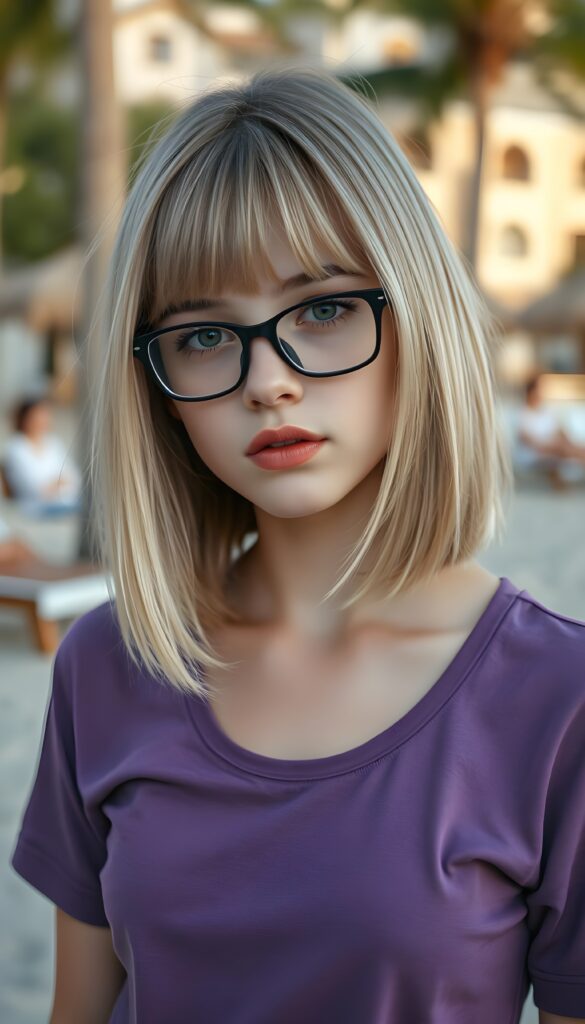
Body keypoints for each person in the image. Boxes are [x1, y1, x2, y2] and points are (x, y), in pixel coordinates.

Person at [9, 66, 585, 1024]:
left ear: (418, 317)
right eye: (202, 334)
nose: (266, 381)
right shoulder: (108, 664)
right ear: (155, 386)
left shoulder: (558, 701)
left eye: (322, 309)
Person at [2, 395, 82, 516]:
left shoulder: (53, 443)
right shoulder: (16, 447)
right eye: (37, 416)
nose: (42, 420)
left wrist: (57, 485)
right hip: (33, 509)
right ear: (25, 418)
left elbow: (74, 477)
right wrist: (58, 484)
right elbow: (31, 488)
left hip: (64, 503)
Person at [515, 372, 585, 489]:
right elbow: (531, 442)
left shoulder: (546, 412)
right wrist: (556, 446)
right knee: (564, 448)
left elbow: (560, 431)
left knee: (569, 447)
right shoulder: (523, 414)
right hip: (534, 454)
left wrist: (565, 442)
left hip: (555, 449)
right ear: (531, 392)